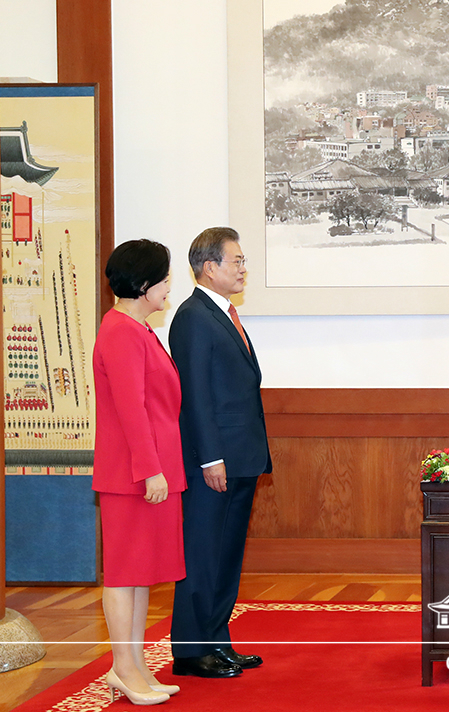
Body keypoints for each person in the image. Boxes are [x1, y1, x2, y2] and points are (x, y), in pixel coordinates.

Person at [169, 227, 272, 678]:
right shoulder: (193, 317)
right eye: (237, 261)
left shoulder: (223, 314)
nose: (244, 268)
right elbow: (196, 396)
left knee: (227, 556)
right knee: (203, 554)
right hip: (214, 462)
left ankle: (217, 642)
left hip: (240, 457)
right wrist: (211, 458)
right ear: (209, 267)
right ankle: (192, 652)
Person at [92, 239, 185, 705]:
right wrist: (150, 470)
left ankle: (137, 667)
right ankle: (123, 668)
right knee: (124, 574)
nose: (169, 286)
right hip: (134, 474)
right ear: (145, 284)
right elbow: (131, 411)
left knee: (142, 573)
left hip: (153, 469)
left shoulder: (139, 329)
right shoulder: (120, 332)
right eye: (165, 278)